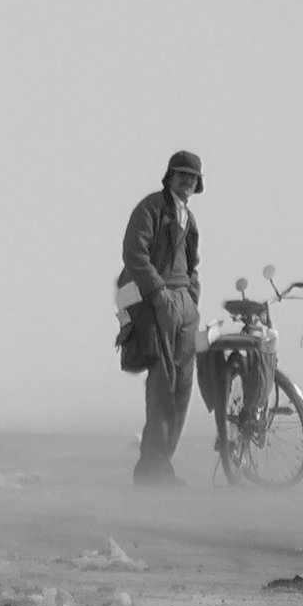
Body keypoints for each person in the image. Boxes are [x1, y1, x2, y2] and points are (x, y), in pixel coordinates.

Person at [117, 151, 203, 487]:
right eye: (181, 175)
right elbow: (133, 253)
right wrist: (158, 293)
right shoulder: (150, 208)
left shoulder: (189, 219)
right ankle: (152, 468)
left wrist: (192, 297)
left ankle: (162, 463)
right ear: (169, 177)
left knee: (182, 385)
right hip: (158, 301)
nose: (186, 182)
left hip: (184, 305)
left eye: (192, 178)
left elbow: (192, 264)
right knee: (162, 386)